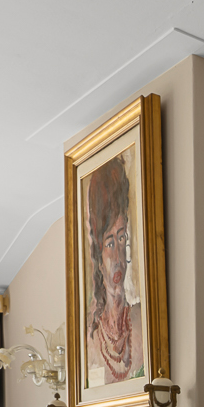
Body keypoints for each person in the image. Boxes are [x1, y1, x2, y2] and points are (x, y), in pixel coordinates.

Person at [85, 154, 144, 385]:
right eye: (110, 243)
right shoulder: (89, 338)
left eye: (121, 239)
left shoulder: (141, 320)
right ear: (99, 257)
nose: (118, 257)